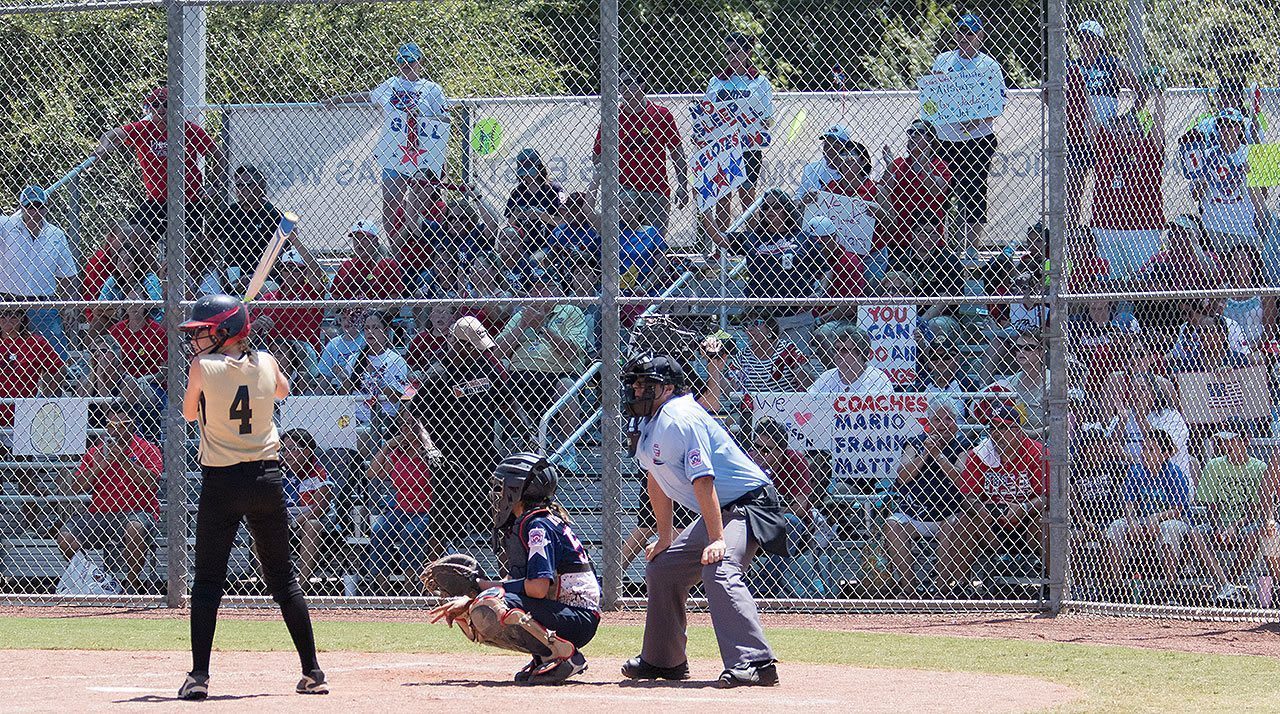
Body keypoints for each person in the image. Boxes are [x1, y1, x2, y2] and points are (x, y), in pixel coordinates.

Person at [177, 293, 325, 699]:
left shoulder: (201, 367)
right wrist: (249, 356)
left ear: (225, 332)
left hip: (222, 483)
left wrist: (224, 366)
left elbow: (191, 413)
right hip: (267, 479)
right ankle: (313, 671)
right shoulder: (268, 362)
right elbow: (282, 390)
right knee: (283, 579)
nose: (196, 340)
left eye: (205, 332)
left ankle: (199, 677)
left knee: (208, 581)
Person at [620, 353, 786, 687]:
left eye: (645, 385)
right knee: (662, 568)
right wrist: (665, 538)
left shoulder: (681, 416)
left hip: (749, 504)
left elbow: (703, 481)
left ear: (667, 388)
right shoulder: (647, 423)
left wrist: (717, 539)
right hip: (722, 509)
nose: (637, 391)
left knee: (719, 565)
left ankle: (756, 663)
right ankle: (664, 661)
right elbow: (656, 480)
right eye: (634, 384)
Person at [429, 452, 600, 685]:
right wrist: (473, 597)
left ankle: (564, 656)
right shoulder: (529, 522)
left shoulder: (538, 526)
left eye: (501, 488)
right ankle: (545, 655)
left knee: (490, 604)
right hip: (566, 613)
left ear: (517, 490)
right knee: (485, 603)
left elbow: (538, 589)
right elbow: (520, 584)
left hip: (577, 618)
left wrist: (481, 589)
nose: (496, 495)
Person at [323, 43, 451, 237]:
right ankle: (396, 248)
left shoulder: (432, 89)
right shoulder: (391, 84)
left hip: (422, 153)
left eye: (411, 60)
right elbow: (369, 97)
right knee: (391, 203)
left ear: (419, 61)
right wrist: (339, 99)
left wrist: (421, 119)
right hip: (395, 151)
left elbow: (444, 119)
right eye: (402, 60)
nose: (407, 64)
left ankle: (420, 244)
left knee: (418, 204)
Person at [936, 395, 1047, 595]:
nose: (998, 434)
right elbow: (968, 497)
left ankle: (1054, 585)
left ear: (1019, 431)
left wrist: (1023, 508)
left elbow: (1048, 497)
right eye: (994, 428)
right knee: (962, 522)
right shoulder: (979, 453)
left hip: (1027, 522)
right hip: (991, 526)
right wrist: (981, 510)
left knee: (1045, 521)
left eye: (1004, 428)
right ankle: (959, 587)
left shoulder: (1037, 452)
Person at [415, 316, 511, 541]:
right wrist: (429, 448)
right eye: (472, 348)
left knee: (501, 524)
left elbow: (507, 402)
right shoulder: (438, 373)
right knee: (441, 531)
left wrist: (526, 432)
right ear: (457, 344)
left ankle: (506, 576)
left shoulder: (485, 367)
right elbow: (415, 414)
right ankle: (437, 575)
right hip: (450, 462)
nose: (479, 352)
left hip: (484, 457)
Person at [92, 86, 225, 245]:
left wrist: (216, 184)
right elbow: (112, 134)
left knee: (187, 246)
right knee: (131, 237)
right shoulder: (143, 129)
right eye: (155, 104)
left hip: (189, 200)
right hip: (157, 200)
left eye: (166, 104)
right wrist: (101, 149)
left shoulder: (187, 129)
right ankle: (149, 270)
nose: (161, 108)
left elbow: (218, 153)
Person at [57, 406, 162, 594]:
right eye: (112, 425)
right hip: (100, 513)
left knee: (135, 528)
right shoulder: (97, 450)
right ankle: (101, 582)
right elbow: (76, 487)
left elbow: (152, 482)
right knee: (66, 537)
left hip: (138, 511)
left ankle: (131, 586)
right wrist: (98, 466)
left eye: (123, 425)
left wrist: (123, 461)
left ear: (132, 426)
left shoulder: (147, 448)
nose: (116, 429)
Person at [929, 14, 1006, 262]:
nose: (965, 38)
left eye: (970, 34)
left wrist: (975, 121)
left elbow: (998, 102)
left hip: (977, 138)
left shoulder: (989, 65)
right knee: (942, 192)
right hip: (945, 139)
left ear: (980, 36)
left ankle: (971, 247)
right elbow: (933, 96)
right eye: (961, 33)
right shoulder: (943, 60)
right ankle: (941, 245)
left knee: (974, 191)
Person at [883, 398, 969, 596]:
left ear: (956, 423)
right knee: (892, 525)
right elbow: (902, 476)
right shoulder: (915, 443)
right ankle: (909, 589)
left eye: (949, 419)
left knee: (954, 524)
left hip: (947, 513)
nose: (944, 425)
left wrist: (939, 456)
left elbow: (961, 479)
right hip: (914, 513)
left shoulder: (962, 445)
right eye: (938, 420)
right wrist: (925, 455)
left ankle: (939, 589)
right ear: (929, 423)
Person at [593, 67, 688, 237]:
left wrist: (682, 185)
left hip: (655, 188)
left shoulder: (661, 115)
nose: (623, 88)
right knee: (623, 241)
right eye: (620, 84)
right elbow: (597, 156)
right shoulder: (612, 117)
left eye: (628, 83)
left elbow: (677, 152)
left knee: (654, 243)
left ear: (642, 85)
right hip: (623, 189)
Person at [1089, 69, 1165, 281]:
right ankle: (1116, 315)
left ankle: (1141, 314)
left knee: (1145, 282)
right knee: (1109, 282)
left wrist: (1159, 95)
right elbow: (1092, 123)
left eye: (1130, 131)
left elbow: (1159, 128)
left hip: (1143, 228)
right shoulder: (1108, 148)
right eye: (1119, 131)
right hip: (1106, 226)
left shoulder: (1147, 150)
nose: (1124, 135)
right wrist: (1085, 91)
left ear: (1139, 133)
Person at [362, 396, 440, 595]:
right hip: (400, 508)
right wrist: (388, 446)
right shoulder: (398, 453)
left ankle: (410, 587)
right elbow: (372, 473)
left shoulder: (430, 454)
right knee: (380, 530)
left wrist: (425, 444)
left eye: (414, 424)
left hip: (426, 509)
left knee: (410, 534)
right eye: (404, 424)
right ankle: (381, 590)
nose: (408, 429)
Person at [1065, 20, 1138, 224]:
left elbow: (1139, 90)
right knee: (1074, 190)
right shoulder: (1071, 66)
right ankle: (1074, 234)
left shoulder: (1111, 64)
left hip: (1106, 136)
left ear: (1099, 41)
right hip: (1078, 135)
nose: (1086, 42)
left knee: (1108, 187)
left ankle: (1108, 227)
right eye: (1082, 38)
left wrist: (1126, 118)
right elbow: (1050, 97)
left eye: (1091, 38)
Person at [1104, 429, 1190, 600]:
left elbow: (1178, 509)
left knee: (1169, 529)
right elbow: (1128, 503)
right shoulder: (1136, 471)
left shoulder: (1174, 473)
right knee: (1115, 528)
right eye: (1144, 448)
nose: (1144, 453)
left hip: (1169, 519)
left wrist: (1157, 518)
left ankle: (1170, 589)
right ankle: (1113, 588)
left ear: (1165, 454)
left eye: (1151, 450)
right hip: (1141, 520)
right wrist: (1132, 521)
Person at [1186, 429, 1267, 602]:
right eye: (1223, 441)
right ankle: (1226, 585)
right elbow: (1210, 505)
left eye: (1231, 440)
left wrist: (1235, 527)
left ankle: (1229, 583)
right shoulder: (1214, 465)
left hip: (1245, 523)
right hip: (1219, 523)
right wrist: (1220, 528)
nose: (1225, 445)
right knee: (1195, 533)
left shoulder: (1260, 467)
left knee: (1254, 534)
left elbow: (1256, 509)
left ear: (1246, 440)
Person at [705, 32, 774, 229]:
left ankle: (752, 246)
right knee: (723, 198)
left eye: (735, 51)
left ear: (748, 52)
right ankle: (721, 248)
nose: (731, 57)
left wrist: (750, 120)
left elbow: (767, 118)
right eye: (727, 52)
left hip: (749, 146)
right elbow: (708, 114)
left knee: (747, 197)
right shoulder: (717, 81)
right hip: (723, 146)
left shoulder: (760, 82)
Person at [0, 185, 79, 356]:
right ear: (21, 208)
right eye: (29, 207)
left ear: (46, 208)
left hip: (42, 303)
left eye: (38, 206)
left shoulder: (55, 235)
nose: (34, 211)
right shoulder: (5, 226)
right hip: (7, 303)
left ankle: (57, 382)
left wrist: (69, 304)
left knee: (56, 356)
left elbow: (68, 275)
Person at [748, 418, 819, 599]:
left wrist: (767, 515)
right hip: (752, 521)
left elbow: (800, 508)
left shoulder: (794, 461)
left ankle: (764, 587)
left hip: (787, 527)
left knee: (792, 522)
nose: (758, 454)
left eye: (765, 450)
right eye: (756, 446)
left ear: (780, 451)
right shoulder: (747, 461)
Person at [875, 120, 952, 282]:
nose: (913, 136)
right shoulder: (899, 164)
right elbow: (883, 192)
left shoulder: (939, 165)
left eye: (919, 133)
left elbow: (936, 190)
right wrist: (889, 166)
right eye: (911, 132)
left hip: (928, 241)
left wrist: (923, 163)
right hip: (898, 240)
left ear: (931, 139)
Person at [1191, 109, 1268, 251]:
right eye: (1221, 125)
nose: (1225, 129)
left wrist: (1251, 175)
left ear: (1239, 128)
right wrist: (1206, 177)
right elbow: (1195, 195)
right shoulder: (1207, 154)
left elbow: (1264, 195)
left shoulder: (1252, 153)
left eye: (1230, 125)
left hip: (1243, 227)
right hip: (1213, 226)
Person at [344, 310, 410, 449]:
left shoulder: (396, 361)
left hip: (383, 416)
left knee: (364, 433)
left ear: (385, 331)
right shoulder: (355, 359)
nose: (370, 332)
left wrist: (376, 378)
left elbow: (396, 396)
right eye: (367, 328)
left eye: (375, 328)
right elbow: (346, 391)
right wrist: (344, 378)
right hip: (354, 415)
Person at [209, 165, 283, 289]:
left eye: (247, 185)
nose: (241, 190)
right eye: (238, 186)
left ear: (260, 186)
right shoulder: (230, 212)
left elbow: (281, 256)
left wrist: (256, 277)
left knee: (269, 288)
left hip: (263, 278)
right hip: (231, 276)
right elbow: (208, 238)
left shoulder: (273, 215)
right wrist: (219, 268)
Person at [279, 429, 332, 588]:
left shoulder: (318, 472)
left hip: (309, 518)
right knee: (260, 527)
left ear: (307, 451)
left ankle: (302, 585)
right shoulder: (277, 470)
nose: (287, 454)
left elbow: (320, 508)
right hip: (282, 517)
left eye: (293, 449)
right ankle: (271, 585)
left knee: (312, 525)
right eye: (284, 449)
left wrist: (295, 523)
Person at [330, 221, 406, 302]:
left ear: (375, 240)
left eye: (365, 238)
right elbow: (334, 299)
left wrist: (376, 313)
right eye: (356, 238)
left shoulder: (387, 265)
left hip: (378, 312)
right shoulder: (346, 266)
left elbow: (394, 303)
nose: (360, 242)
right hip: (349, 312)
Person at [505, 148, 565, 252]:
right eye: (524, 173)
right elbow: (509, 227)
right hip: (522, 247)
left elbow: (564, 223)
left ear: (539, 168)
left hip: (549, 245)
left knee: (535, 260)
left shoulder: (553, 190)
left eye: (530, 172)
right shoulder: (517, 193)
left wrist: (540, 215)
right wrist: (516, 214)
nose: (527, 176)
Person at [807, 325, 894, 395]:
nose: (838, 353)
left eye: (845, 350)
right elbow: (808, 403)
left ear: (860, 353)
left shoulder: (877, 379)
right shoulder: (826, 377)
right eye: (836, 349)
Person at [318, 307, 366, 393]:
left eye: (351, 318)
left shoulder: (366, 340)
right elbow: (325, 377)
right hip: (341, 389)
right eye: (344, 318)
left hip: (362, 385)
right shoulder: (333, 344)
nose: (347, 322)